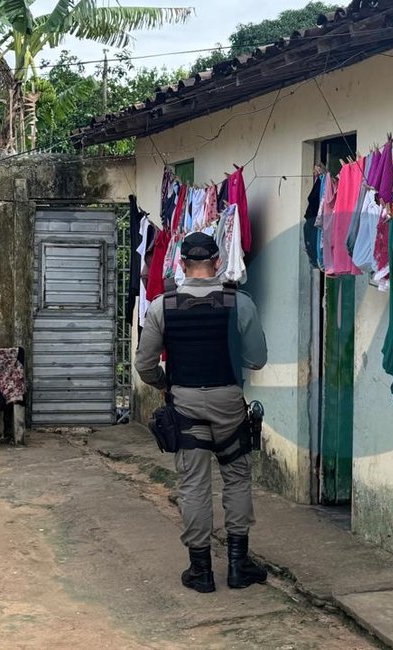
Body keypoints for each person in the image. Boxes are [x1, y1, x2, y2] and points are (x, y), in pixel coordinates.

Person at [135, 231, 268, 593]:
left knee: (194, 484)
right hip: (229, 402)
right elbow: (257, 359)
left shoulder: (162, 306)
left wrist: (165, 384)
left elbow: (145, 366)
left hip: (185, 402)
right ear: (217, 263)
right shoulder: (240, 303)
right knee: (236, 478)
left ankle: (201, 571)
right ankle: (238, 566)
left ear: (180, 264)